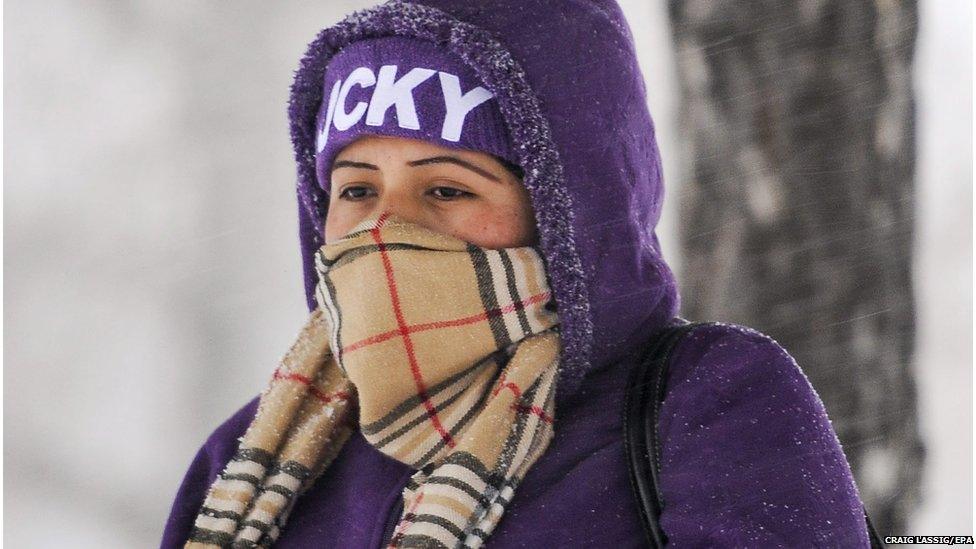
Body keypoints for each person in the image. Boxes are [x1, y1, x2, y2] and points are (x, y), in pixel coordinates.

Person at [162, 1, 871, 547]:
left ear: (567, 212)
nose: (385, 228)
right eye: (355, 189)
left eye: (447, 189)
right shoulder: (252, 457)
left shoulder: (710, 406)